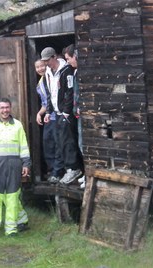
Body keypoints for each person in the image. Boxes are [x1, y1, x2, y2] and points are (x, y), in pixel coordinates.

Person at [0, 98, 31, 240]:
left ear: (10, 108)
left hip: (13, 165)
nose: (5, 110)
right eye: (2, 108)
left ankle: (11, 229)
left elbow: (23, 146)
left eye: (7, 107)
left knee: (12, 198)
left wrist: (26, 164)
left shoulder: (17, 125)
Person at [41, 47, 84, 185]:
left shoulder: (66, 70)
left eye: (47, 60)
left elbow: (70, 92)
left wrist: (66, 112)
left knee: (69, 141)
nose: (46, 63)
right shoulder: (47, 73)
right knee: (60, 142)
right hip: (57, 112)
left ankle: (74, 168)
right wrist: (48, 111)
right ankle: (67, 169)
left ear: (54, 57)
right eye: (44, 60)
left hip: (66, 113)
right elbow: (49, 94)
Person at [34, 59, 64, 183]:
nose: (40, 69)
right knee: (48, 144)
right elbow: (45, 103)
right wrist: (39, 113)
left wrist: (44, 112)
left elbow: (52, 99)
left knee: (57, 144)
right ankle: (53, 171)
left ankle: (57, 172)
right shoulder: (41, 81)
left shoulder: (50, 79)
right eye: (37, 67)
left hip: (55, 116)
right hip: (48, 118)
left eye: (42, 66)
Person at [63, 44, 85, 188]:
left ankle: (89, 176)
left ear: (75, 56)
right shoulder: (75, 72)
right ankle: (86, 174)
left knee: (84, 146)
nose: (68, 62)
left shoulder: (82, 72)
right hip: (78, 114)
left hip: (84, 115)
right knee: (80, 145)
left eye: (68, 58)